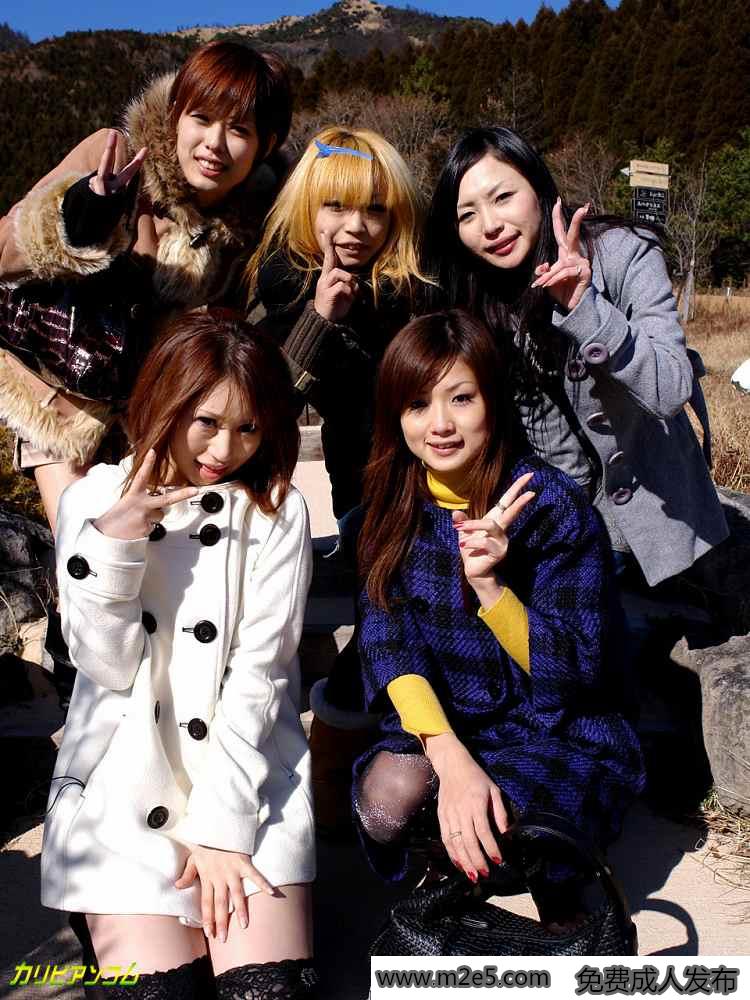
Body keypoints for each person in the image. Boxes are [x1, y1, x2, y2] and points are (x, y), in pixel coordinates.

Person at [41, 310, 317, 999]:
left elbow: (260, 677)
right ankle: (102, 911)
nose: (225, 449)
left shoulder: (276, 509)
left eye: (249, 427)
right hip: (124, 784)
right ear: (166, 400)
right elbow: (103, 665)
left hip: (245, 775)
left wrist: (224, 829)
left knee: (267, 991)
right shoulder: (92, 499)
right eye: (207, 422)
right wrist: (116, 542)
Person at [352, 310, 645, 928]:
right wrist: (449, 757)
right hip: (449, 719)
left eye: (461, 398)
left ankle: (561, 896)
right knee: (387, 801)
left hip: (555, 723)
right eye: (417, 404)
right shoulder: (394, 500)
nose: (440, 424)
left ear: (492, 398)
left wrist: (490, 587)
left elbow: (578, 669)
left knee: (515, 822)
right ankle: (452, 881)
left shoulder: (551, 504)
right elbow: (387, 643)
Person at [0, 39, 292, 533]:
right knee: (86, 546)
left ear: (265, 143)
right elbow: (5, 252)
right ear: (176, 115)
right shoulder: (114, 157)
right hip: (56, 398)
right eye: (201, 118)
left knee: (162, 555)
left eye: (239, 129)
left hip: (151, 418)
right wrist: (80, 217)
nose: (214, 143)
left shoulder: (251, 229)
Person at [423, 126, 728, 595]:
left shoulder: (623, 252)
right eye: (468, 214)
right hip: (568, 525)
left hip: (664, 521)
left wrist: (586, 309)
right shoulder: (477, 298)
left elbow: (671, 388)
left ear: (539, 189)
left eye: (503, 197)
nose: (490, 225)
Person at [247, 126, 429, 830]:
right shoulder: (283, 282)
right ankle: (335, 764)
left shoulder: (413, 291)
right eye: (336, 207)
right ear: (306, 208)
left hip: (425, 489)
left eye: (375, 209)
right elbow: (262, 411)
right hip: (360, 492)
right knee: (381, 603)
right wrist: (320, 317)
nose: (356, 226)